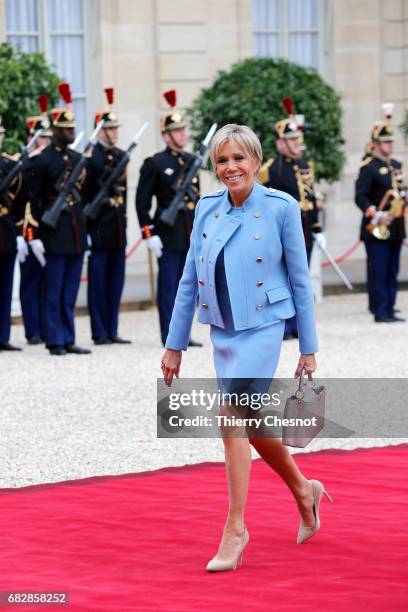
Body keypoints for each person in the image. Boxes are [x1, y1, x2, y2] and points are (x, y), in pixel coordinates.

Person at [161, 124, 331, 572]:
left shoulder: (281, 207)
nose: (230, 167)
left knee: (230, 416)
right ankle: (302, 489)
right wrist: (175, 344)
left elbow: (299, 280)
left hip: (263, 327)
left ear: (256, 161)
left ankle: (235, 529)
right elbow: (187, 279)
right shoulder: (207, 208)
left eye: (239, 158)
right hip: (224, 332)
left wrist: (308, 348)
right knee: (253, 426)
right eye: (222, 160)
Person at [27, 82, 91, 355]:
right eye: (65, 129)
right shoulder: (42, 160)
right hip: (54, 233)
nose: (71, 132)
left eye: (72, 128)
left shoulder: (77, 158)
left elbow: (82, 197)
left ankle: (68, 337)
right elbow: (34, 197)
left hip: (75, 233)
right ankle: (54, 340)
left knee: (69, 291)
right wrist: (38, 232)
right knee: (53, 290)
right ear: (54, 130)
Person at [135, 89, 202, 347]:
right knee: (169, 290)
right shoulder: (155, 163)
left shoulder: (191, 161)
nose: (183, 134)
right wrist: (148, 233)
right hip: (167, 233)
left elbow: (198, 200)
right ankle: (170, 336)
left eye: (184, 130)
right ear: (166, 135)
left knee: (188, 290)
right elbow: (142, 202)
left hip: (189, 234)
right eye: (177, 131)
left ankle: (185, 333)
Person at [258, 107, 325, 339]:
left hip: (304, 230)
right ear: (280, 143)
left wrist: (318, 228)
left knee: (300, 278)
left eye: (297, 138)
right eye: (290, 139)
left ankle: (297, 325)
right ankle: (283, 325)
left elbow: (311, 198)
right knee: (282, 279)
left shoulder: (304, 165)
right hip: (280, 232)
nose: (296, 143)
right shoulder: (271, 169)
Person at [83, 88, 130, 345]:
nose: (114, 133)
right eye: (110, 129)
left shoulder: (121, 156)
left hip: (117, 228)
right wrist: (87, 230)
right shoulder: (91, 158)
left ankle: (112, 329)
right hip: (98, 227)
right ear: (99, 131)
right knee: (98, 283)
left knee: (115, 282)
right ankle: (99, 331)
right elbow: (84, 196)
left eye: (115, 129)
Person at [355, 104, 406, 323]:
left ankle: (389, 306)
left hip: (395, 225)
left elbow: (400, 190)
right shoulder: (369, 166)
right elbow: (361, 196)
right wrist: (375, 214)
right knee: (379, 269)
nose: (389, 145)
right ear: (375, 144)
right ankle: (380, 309)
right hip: (377, 227)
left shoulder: (396, 164)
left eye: (391, 141)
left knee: (392, 269)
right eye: (385, 142)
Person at [16, 96, 53, 345]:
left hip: (45, 228)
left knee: (46, 281)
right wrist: (23, 234)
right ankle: (33, 329)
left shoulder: (45, 161)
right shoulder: (24, 163)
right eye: (42, 136)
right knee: (30, 281)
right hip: (26, 228)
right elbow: (20, 201)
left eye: (49, 137)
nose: (46, 141)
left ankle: (46, 326)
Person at [0, 118, 23, 351]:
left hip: (5, 230)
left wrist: (19, 231)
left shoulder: (8, 165)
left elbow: (18, 198)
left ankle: (3, 335)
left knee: (6, 285)